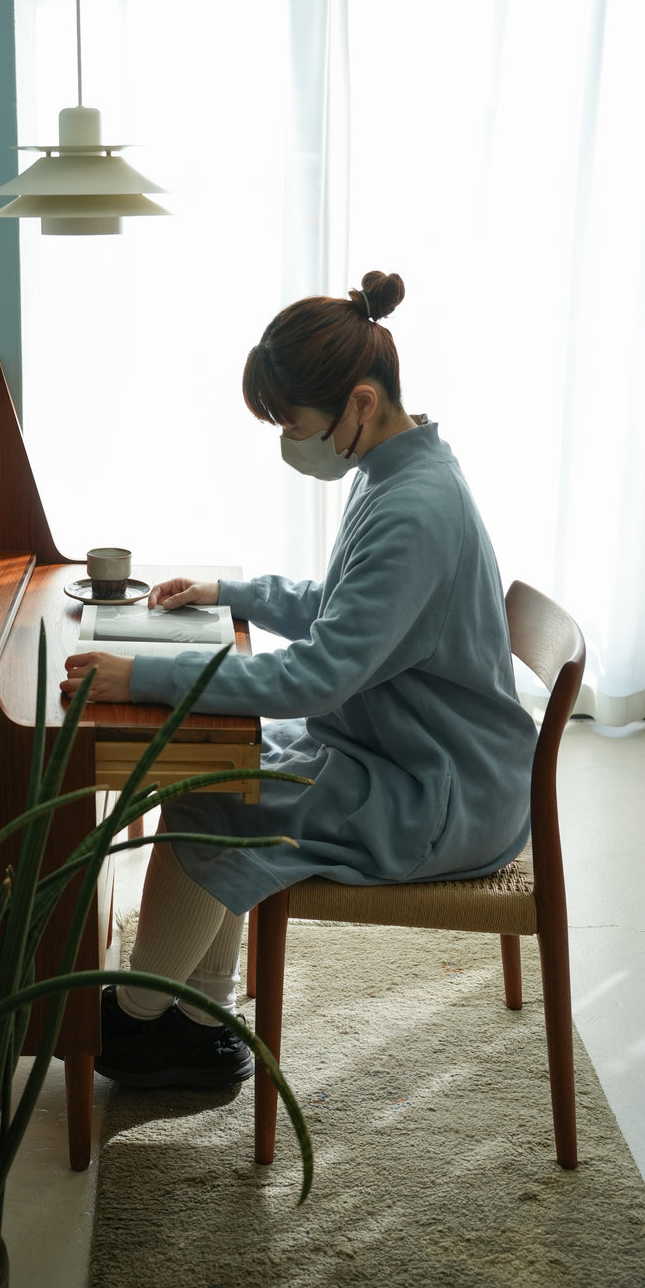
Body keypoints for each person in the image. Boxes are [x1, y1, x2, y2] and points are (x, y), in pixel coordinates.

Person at [61, 270, 537, 1089]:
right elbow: (342, 610)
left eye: (293, 423)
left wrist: (140, 673)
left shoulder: (413, 508)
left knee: (211, 785)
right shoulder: (395, 473)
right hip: (413, 755)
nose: (288, 440)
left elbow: (317, 676)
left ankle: (135, 1025)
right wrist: (232, 594)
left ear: (359, 402)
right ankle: (191, 1019)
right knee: (211, 773)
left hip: (439, 794)